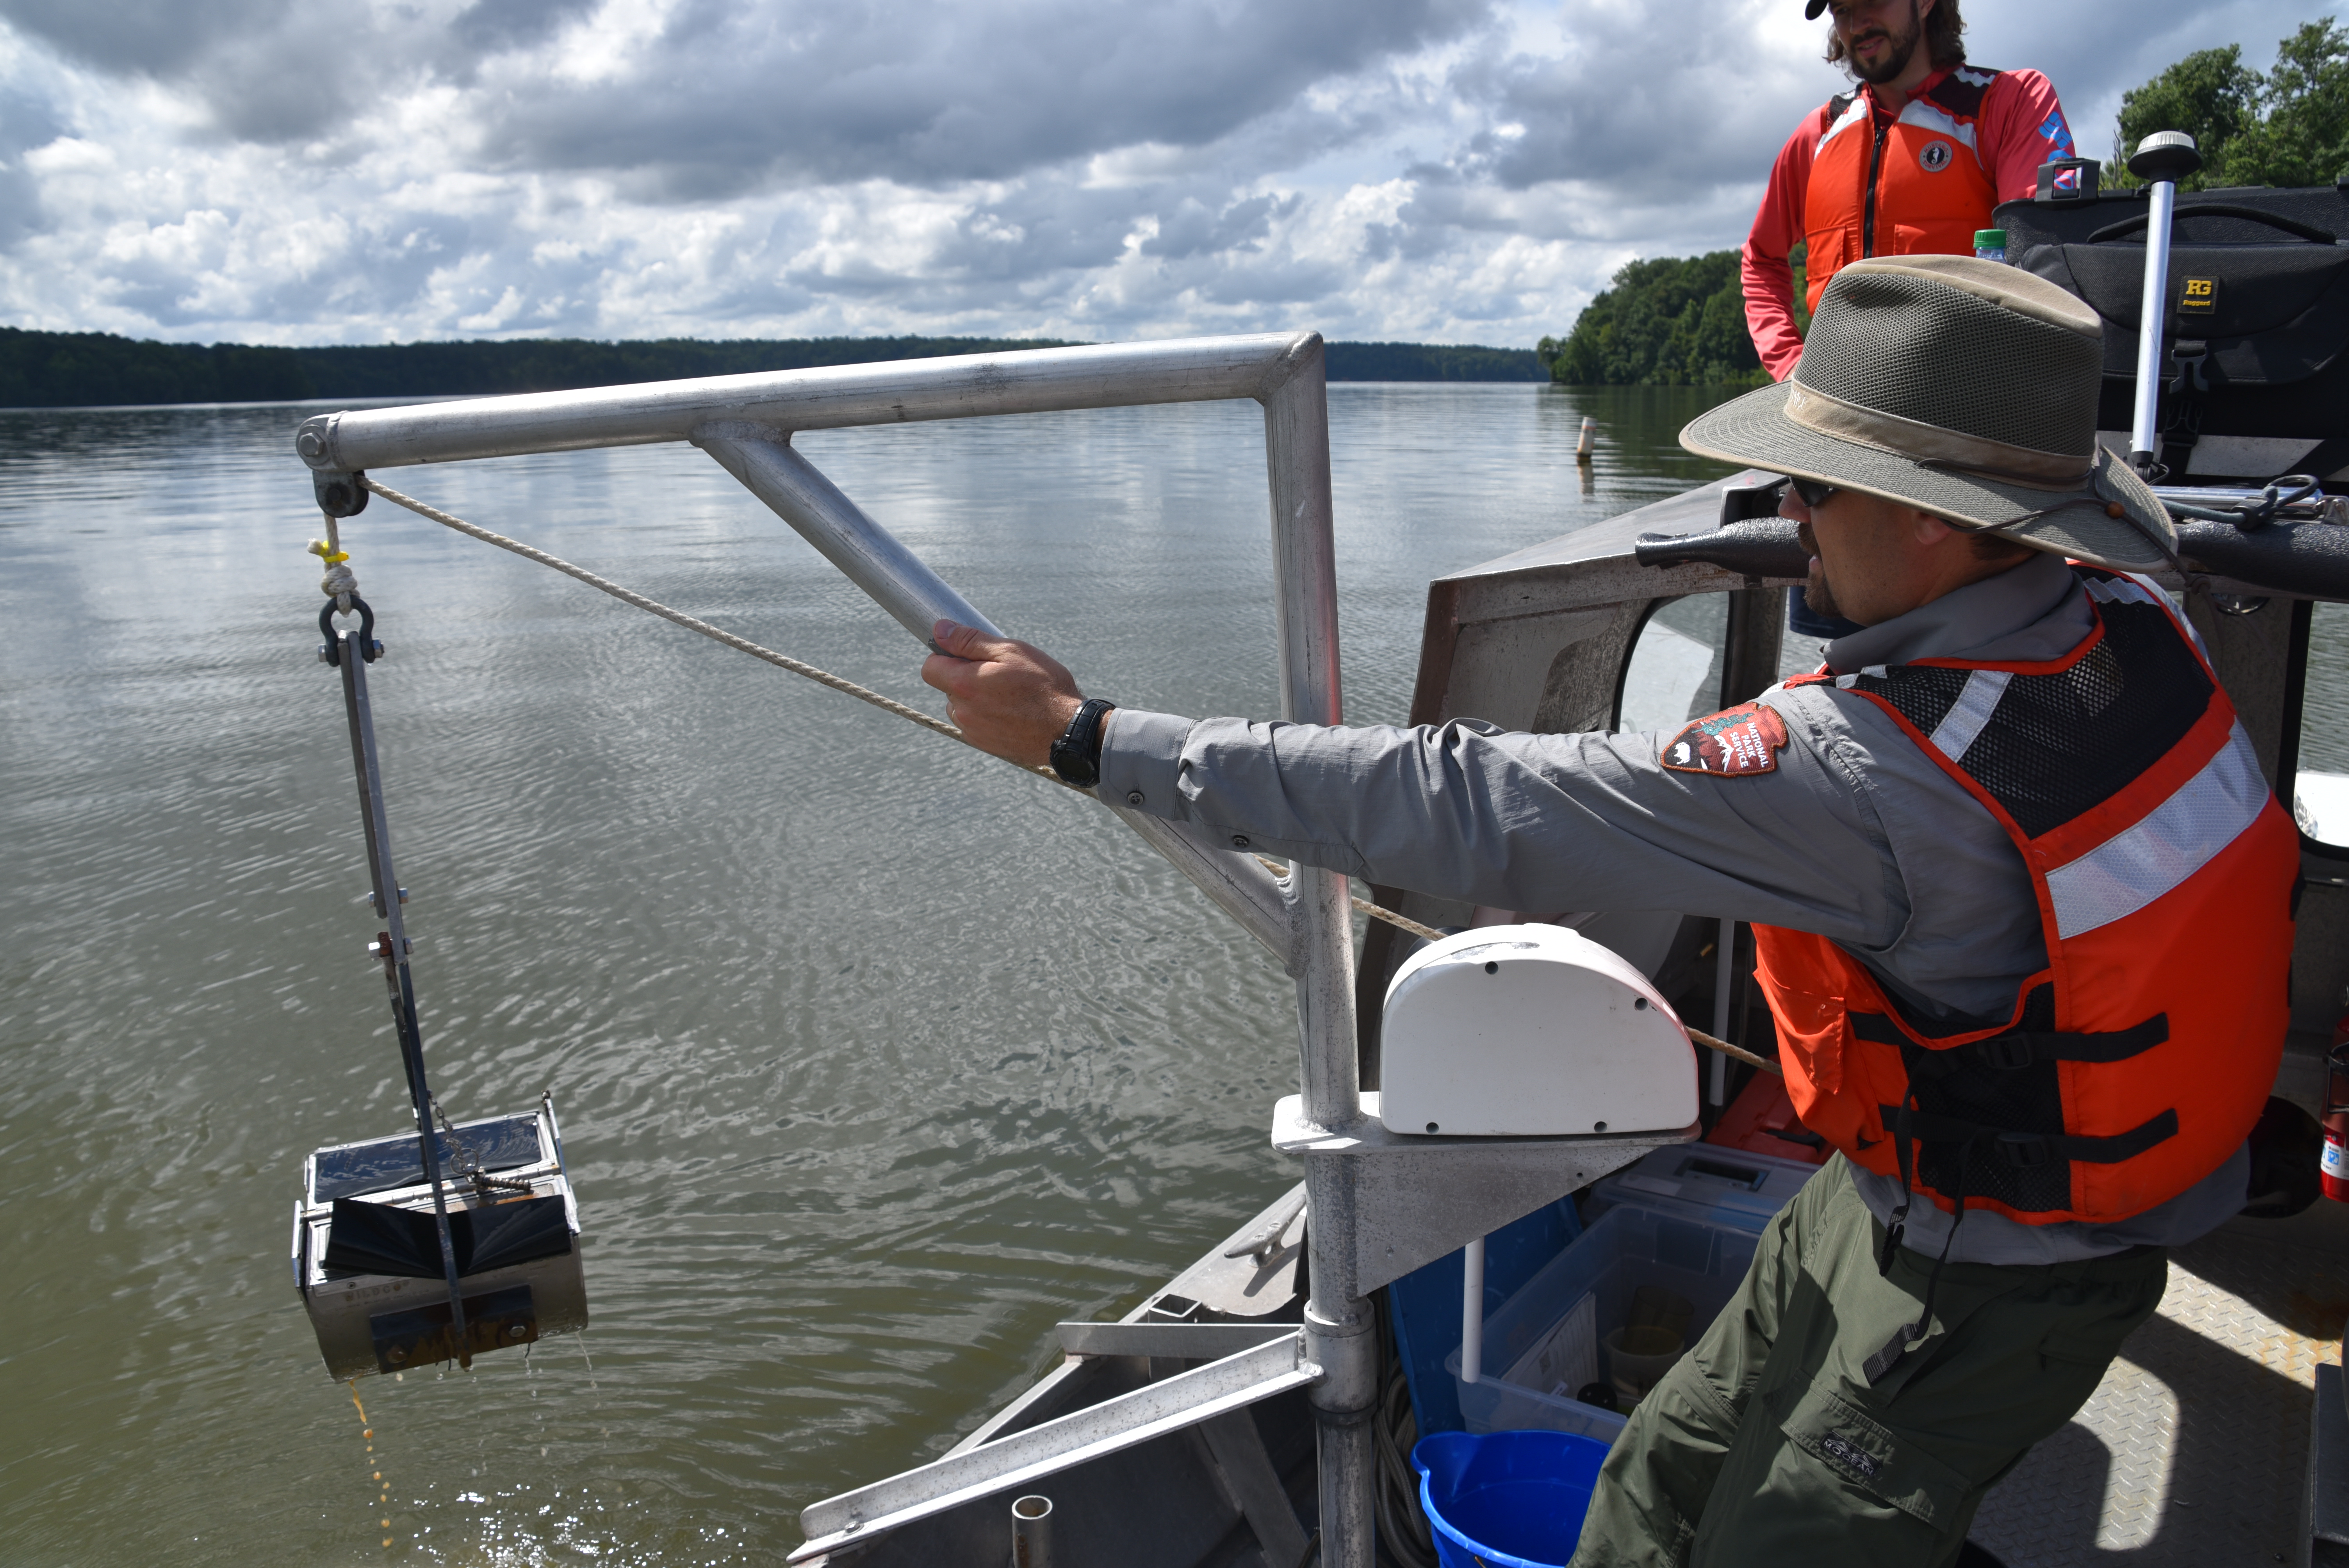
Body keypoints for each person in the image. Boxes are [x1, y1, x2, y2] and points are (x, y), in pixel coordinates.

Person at [920, 257, 2299, 1564]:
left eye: (1816, 484)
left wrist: (1092, 736)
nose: (1787, 510)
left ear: (1936, 519)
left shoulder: (1866, 771)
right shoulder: (2123, 621)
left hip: (1989, 1275)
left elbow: (1463, 797)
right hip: (1910, 1193)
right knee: (1656, 1475)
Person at [1743, 0, 2079, 381]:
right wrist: (1789, 364)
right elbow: (1760, 260)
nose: (1857, 24)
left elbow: (2048, 260)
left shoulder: (2009, 102)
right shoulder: (1817, 134)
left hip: (1964, 412)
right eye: (1841, 9)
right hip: (1832, 414)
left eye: (1874, 1)